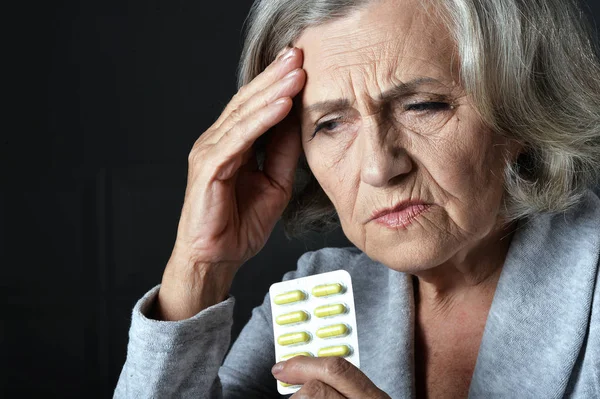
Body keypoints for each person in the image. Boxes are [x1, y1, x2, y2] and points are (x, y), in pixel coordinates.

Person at [114, 0, 600, 397]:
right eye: (329, 124)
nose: (378, 168)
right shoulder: (316, 294)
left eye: (422, 105)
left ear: (522, 107)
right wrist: (199, 267)